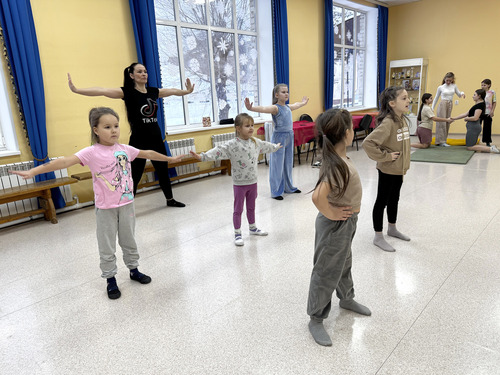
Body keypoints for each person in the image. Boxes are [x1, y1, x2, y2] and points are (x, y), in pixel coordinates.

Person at [10, 107, 186, 299]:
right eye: (107, 127)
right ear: (95, 130)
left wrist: (169, 158)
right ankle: (110, 279)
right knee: (106, 245)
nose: (114, 131)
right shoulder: (91, 152)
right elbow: (63, 162)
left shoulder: (125, 149)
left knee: (129, 240)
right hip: (106, 209)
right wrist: (33, 172)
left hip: (127, 204)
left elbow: (149, 153)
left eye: (116, 126)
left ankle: (134, 270)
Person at [68, 62, 194, 207]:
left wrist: (187, 92)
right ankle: (127, 204)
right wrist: (77, 90)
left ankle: (170, 199)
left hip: (156, 138)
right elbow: (102, 90)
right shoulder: (127, 92)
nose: (144, 74)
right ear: (132, 75)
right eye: (140, 72)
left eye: (145, 71)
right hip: (138, 140)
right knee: (134, 173)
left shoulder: (154, 91)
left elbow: (171, 91)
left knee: (163, 170)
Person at [307, 108, 371, 347]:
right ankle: (316, 317)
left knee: (344, 262)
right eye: (352, 129)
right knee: (326, 270)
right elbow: (317, 197)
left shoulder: (338, 156)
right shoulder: (336, 165)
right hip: (336, 225)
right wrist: (332, 212)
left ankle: (346, 298)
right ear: (346, 134)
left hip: (346, 223)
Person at [190, 113, 282, 246]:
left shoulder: (255, 142)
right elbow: (218, 151)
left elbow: (266, 145)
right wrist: (202, 156)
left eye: (252, 125)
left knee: (251, 207)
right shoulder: (232, 145)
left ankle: (253, 228)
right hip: (240, 184)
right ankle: (237, 233)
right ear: (238, 128)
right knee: (238, 209)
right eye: (247, 126)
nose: (251, 128)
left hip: (253, 182)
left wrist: (275, 147)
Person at [363, 86, 411, 252]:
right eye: (404, 98)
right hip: (388, 170)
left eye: (408, 97)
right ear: (392, 103)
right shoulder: (389, 123)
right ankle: (378, 236)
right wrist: (386, 157)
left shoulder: (402, 119)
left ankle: (392, 228)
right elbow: (368, 143)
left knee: (394, 199)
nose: (408, 100)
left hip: (398, 170)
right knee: (381, 201)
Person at [244, 84, 309, 200]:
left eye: (287, 91)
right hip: (279, 137)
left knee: (288, 163)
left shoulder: (288, 107)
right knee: (277, 164)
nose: (286, 94)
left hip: (290, 135)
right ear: (277, 95)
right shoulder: (276, 108)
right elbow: (264, 108)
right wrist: (251, 108)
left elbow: (296, 104)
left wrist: (303, 103)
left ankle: (288, 187)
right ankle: (276, 191)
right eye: (283, 92)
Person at [451, 89, 500, 153]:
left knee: (470, 147)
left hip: (473, 127)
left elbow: (475, 118)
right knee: (471, 145)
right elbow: (465, 114)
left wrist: (466, 119)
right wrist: (453, 118)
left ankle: (491, 149)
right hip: (473, 127)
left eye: (474, 95)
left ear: (479, 96)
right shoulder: (478, 105)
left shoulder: (479, 105)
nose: (473, 96)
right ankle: (491, 148)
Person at [432, 72, 465, 146]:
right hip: (443, 104)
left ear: (452, 80)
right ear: (444, 79)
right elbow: (436, 98)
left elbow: (459, 94)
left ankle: (444, 140)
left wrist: (462, 93)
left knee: (448, 121)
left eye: (450, 81)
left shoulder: (454, 86)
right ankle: (440, 141)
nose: (448, 82)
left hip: (450, 104)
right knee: (442, 122)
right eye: (447, 80)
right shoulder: (441, 87)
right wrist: (432, 108)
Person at [480, 79, 496, 147]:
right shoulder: (480, 92)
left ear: (489, 85)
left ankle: (487, 141)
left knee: (487, 127)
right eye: (482, 85)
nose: (482, 86)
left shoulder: (492, 92)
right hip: (480, 112)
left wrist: (492, 111)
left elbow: (494, 102)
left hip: (488, 112)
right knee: (477, 126)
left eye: (484, 85)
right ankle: (474, 140)